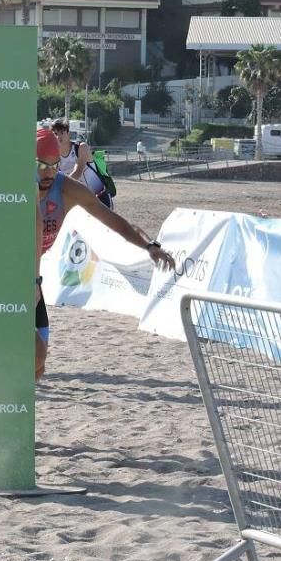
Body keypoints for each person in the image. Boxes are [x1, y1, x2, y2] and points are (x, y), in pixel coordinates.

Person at [35, 127, 175, 379]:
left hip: (33, 278)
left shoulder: (66, 189)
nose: (48, 173)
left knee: (39, 365)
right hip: (10, 274)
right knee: (34, 355)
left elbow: (114, 221)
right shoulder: (13, 190)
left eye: (54, 165)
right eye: (41, 165)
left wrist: (149, 246)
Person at [51, 118, 111, 209]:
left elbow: (77, 172)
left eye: (62, 133)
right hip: (79, 200)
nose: (58, 137)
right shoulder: (54, 156)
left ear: (68, 133)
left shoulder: (81, 147)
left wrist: (59, 188)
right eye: (55, 134)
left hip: (99, 197)